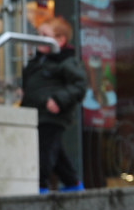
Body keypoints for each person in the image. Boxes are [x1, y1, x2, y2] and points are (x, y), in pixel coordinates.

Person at [20, 15, 88, 193]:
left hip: (52, 115)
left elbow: (79, 86)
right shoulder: (37, 63)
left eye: (44, 34)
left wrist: (59, 100)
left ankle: (40, 185)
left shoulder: (65, 61)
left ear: (60, 40)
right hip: (36, 114)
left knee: (44, 152)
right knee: (55, 154)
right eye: (38, 34)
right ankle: (73, 184)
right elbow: (32, 84)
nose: (39, 38)